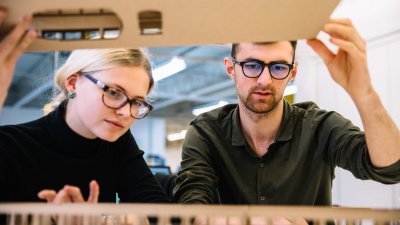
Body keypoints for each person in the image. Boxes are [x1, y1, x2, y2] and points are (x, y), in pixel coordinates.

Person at [174, 18, 400, 205]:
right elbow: (191, 204)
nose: (265, 80)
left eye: (278, 67)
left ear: (293, 73)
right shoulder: (206, 133)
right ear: (231, 68)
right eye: (252, 65)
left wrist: (364, 93)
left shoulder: (319, 127)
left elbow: (391, 169)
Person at [0, 9, 170, 204]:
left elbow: (156, 209)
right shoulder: (9, 145)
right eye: (113, 92)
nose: (124, 112)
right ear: (73, 83)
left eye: (137, 102)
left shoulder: (117, 144)